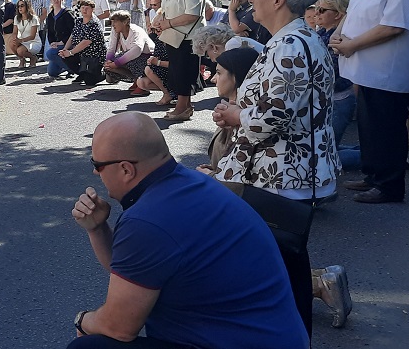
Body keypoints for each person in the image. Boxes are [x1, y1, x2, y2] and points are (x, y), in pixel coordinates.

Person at [69, 112, 308, 349]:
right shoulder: (190, 182)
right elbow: (134, 273)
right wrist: (97, 229)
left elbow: (118, 328)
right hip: (271, 336)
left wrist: (83, 320)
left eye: (97, 165)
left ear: (125, 169)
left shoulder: (147, 220)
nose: (95, 173)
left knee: (88, 347)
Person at [211, 0, 344, 335]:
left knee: (283, 267)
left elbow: (273, 117)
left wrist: (236, 114)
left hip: (284, 174)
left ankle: (290, 335)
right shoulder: (298, 37)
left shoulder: (290, 44)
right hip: (287, 171)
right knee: (285, 264)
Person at [332, 0, 409, 204]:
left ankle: (389, 186)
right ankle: (373, 176)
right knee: (370, 128)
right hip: (367, 69)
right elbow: (354, 10)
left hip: (386, 72)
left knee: (387, 130)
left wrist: (353, 44)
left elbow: (394, 26)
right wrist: (338, 34)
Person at [151, 0, 204, 121]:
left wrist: (168, 23)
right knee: (177, 71)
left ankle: (182, 107)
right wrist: (159, 19)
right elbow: (164, 8)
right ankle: (185, 106)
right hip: (173, 36)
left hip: (188, 37)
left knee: (185, 72)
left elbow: (192, 15)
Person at [312, 0, 356, 144]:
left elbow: (331, 71)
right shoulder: (322, 32)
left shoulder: (341, 37)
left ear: (338, 15)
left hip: (339, 98)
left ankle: (379, 159)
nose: (316, 13)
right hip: (328, 99)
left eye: (322, 10)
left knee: (326, 150)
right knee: (326, 149)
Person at [103, 11, 154, 91]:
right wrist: (109, 61)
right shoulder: (115, 30)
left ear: (125, 22)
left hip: (148, 59)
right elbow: (111, 47)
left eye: (115, 22)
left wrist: (116, 63)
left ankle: (142, 83)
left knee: (131, 61)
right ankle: (136, 80)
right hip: (134, 57)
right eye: (112, 22)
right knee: (108, 67)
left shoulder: (136, 31)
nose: (113, 25)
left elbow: (137, 50)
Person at [59, 0, 107, 86]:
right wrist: (65, 49)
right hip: (81, 53)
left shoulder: (94, 23)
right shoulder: (79, 21)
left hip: (95, 56)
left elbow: (86, 42)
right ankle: (82, 74)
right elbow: (73, 35)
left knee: (90, 82)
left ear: (93, 9)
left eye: (87, 8)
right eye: (83, 8)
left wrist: (70, 52)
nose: (84, 10)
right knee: (64, 56)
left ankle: (107, 74)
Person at [44, 0, 74, 79]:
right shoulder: (50, 16)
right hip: (56, 44)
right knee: (52, 72)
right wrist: (52, 42)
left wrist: (62, 42)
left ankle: (72, 69)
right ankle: (66, 66)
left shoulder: (67, 14)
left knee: (49, 53)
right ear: (51, 0)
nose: (56, 0)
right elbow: (50, 32)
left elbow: (73, 31)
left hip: (67, 44)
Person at [11, 0, 41, 68]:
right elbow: (14, 32)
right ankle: (22, 59)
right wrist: (14, 38)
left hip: (34, 42)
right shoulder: (16, 18)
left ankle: (33, 58)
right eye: (18, 6)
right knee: (11, 44)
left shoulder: (34, 18)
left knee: (20, 50)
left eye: (22, 6)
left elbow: (32, 36)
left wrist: (21, 40)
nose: (20, 8)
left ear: (27, 6)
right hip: (23, 41)